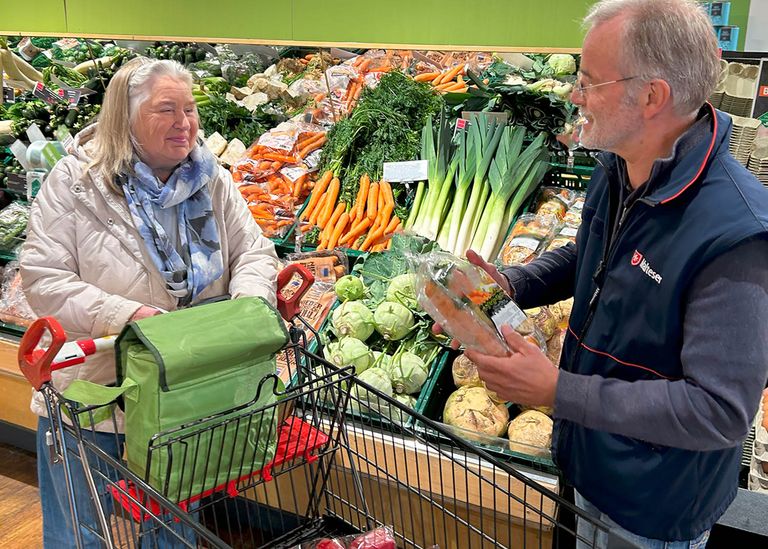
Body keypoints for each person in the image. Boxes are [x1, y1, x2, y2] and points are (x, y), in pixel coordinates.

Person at [458, 0, 768, 547]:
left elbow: (718, 412)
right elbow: (591, 257)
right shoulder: (619, 165)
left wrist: (559, 390)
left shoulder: (735, 235)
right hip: (589, 461)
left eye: (589, 81)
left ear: (652, 96)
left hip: (652, 504)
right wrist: (514, 283)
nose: (576, 96)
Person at [20, 57, 279, 548]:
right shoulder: (77, 183)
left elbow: (254, 250)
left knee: (173, 527)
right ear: (126, 117)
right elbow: (44, 279)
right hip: (95, 391)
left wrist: (244, 311)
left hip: (181, 391)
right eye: (167, 110)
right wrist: (131, 318)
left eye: (190, 109)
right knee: (79, 527)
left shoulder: (211, 178)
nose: (185, 124)